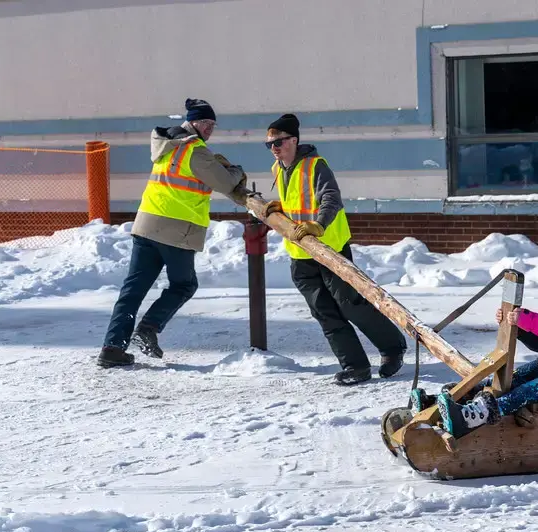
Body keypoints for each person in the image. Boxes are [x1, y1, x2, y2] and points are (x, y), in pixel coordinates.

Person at [98, 98, 253, 368]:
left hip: (147, 223)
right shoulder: (194, 149)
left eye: (213, 124)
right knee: (184, 284)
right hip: (175, 228)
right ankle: (148, 329)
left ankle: (112, 347)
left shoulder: (165, 145)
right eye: (205, 123)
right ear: (191, 122)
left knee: (133, 290)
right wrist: (236, 171)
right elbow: (225, 182)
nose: (209, 129)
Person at [255, 113, 406, 385]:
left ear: (294, 140)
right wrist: (281, 207)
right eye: (269, 145)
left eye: (278, 143)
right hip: (300, 254)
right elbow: (297, 199)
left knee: (350, 305)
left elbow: (330, 198)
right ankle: (355, 367)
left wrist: (319, 225)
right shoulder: (278, 169)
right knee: (325, 313)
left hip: (330, 249)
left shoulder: (316, 165)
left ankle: (393, 348)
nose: (274, 149)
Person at [411, 240, 538, 438]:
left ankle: (470, 417)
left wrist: (527, 319)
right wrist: (518, 325)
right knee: (513, 378)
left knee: (528, 390)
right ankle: (450, 400)